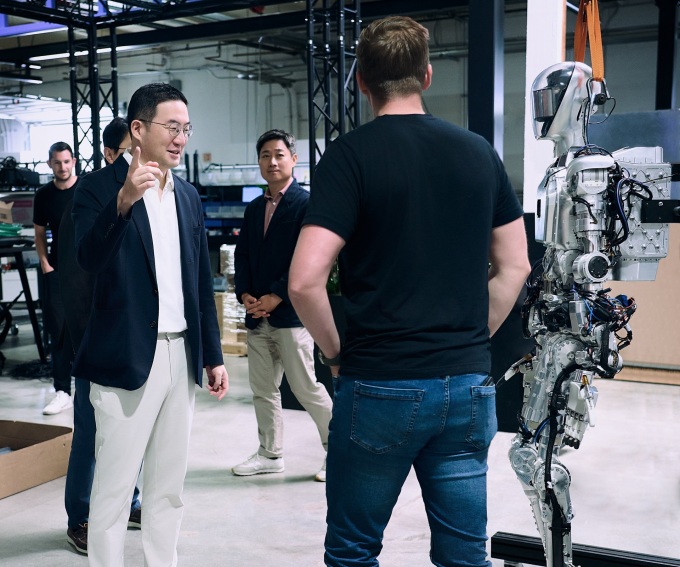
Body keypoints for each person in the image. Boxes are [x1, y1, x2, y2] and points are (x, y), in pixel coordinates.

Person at [288, 16, 531, 567]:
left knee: (353, 550)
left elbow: (303, 281)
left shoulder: (349, 157)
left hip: (380, 383)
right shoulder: (478, 153)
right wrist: (471, 339)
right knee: (465, 554)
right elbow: (514, 264)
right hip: (467, 388)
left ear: (361, 82)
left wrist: (336, 355)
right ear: (426, 75)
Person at [71, 82, 229, 567]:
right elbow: (86, 259)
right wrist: (122, 203)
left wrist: (213, 355)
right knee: (115, 489)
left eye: (187, 129)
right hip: (124, 356)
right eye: (172, 127)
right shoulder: (97, 188)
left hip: (181, 354)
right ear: (138, 129)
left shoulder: (187, 195)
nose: (181, 138)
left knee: (168, 486)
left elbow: (198, 280)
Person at [60, 117, 140, 555]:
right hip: (95, 335)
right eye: (129, 149)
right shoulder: (91, 194)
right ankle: (81, 517)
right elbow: (77, 277)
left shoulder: (154, 190)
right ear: (111, 153)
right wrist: (83, 342)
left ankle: (130, 501)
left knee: (132, 429)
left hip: (134, 334)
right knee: (90, 432)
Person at [232, 129, 332, 482]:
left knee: (306, 388)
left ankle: (337, 452)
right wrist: (244, 294)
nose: (272, 162)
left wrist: (277, 295)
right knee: (263, 390)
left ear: (293, 159)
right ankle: (269, 454)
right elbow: (243, 255)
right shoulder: (254, 208)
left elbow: (309, 258)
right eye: (265, 156)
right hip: (257, 315)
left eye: (278, 154)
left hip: (291, 315)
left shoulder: (306, 204)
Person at [33, 141, 79, 415]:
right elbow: (39, 233)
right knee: (59, 331)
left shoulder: (85, 189)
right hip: (57, 271)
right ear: (50, 164)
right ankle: (62, 392)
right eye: (57, 162)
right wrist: (45, 264)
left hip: (86, 272)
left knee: (89, 329)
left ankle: (91, 387)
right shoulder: (43, 195)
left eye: (66, 161)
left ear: (73, 162)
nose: (62, 167)